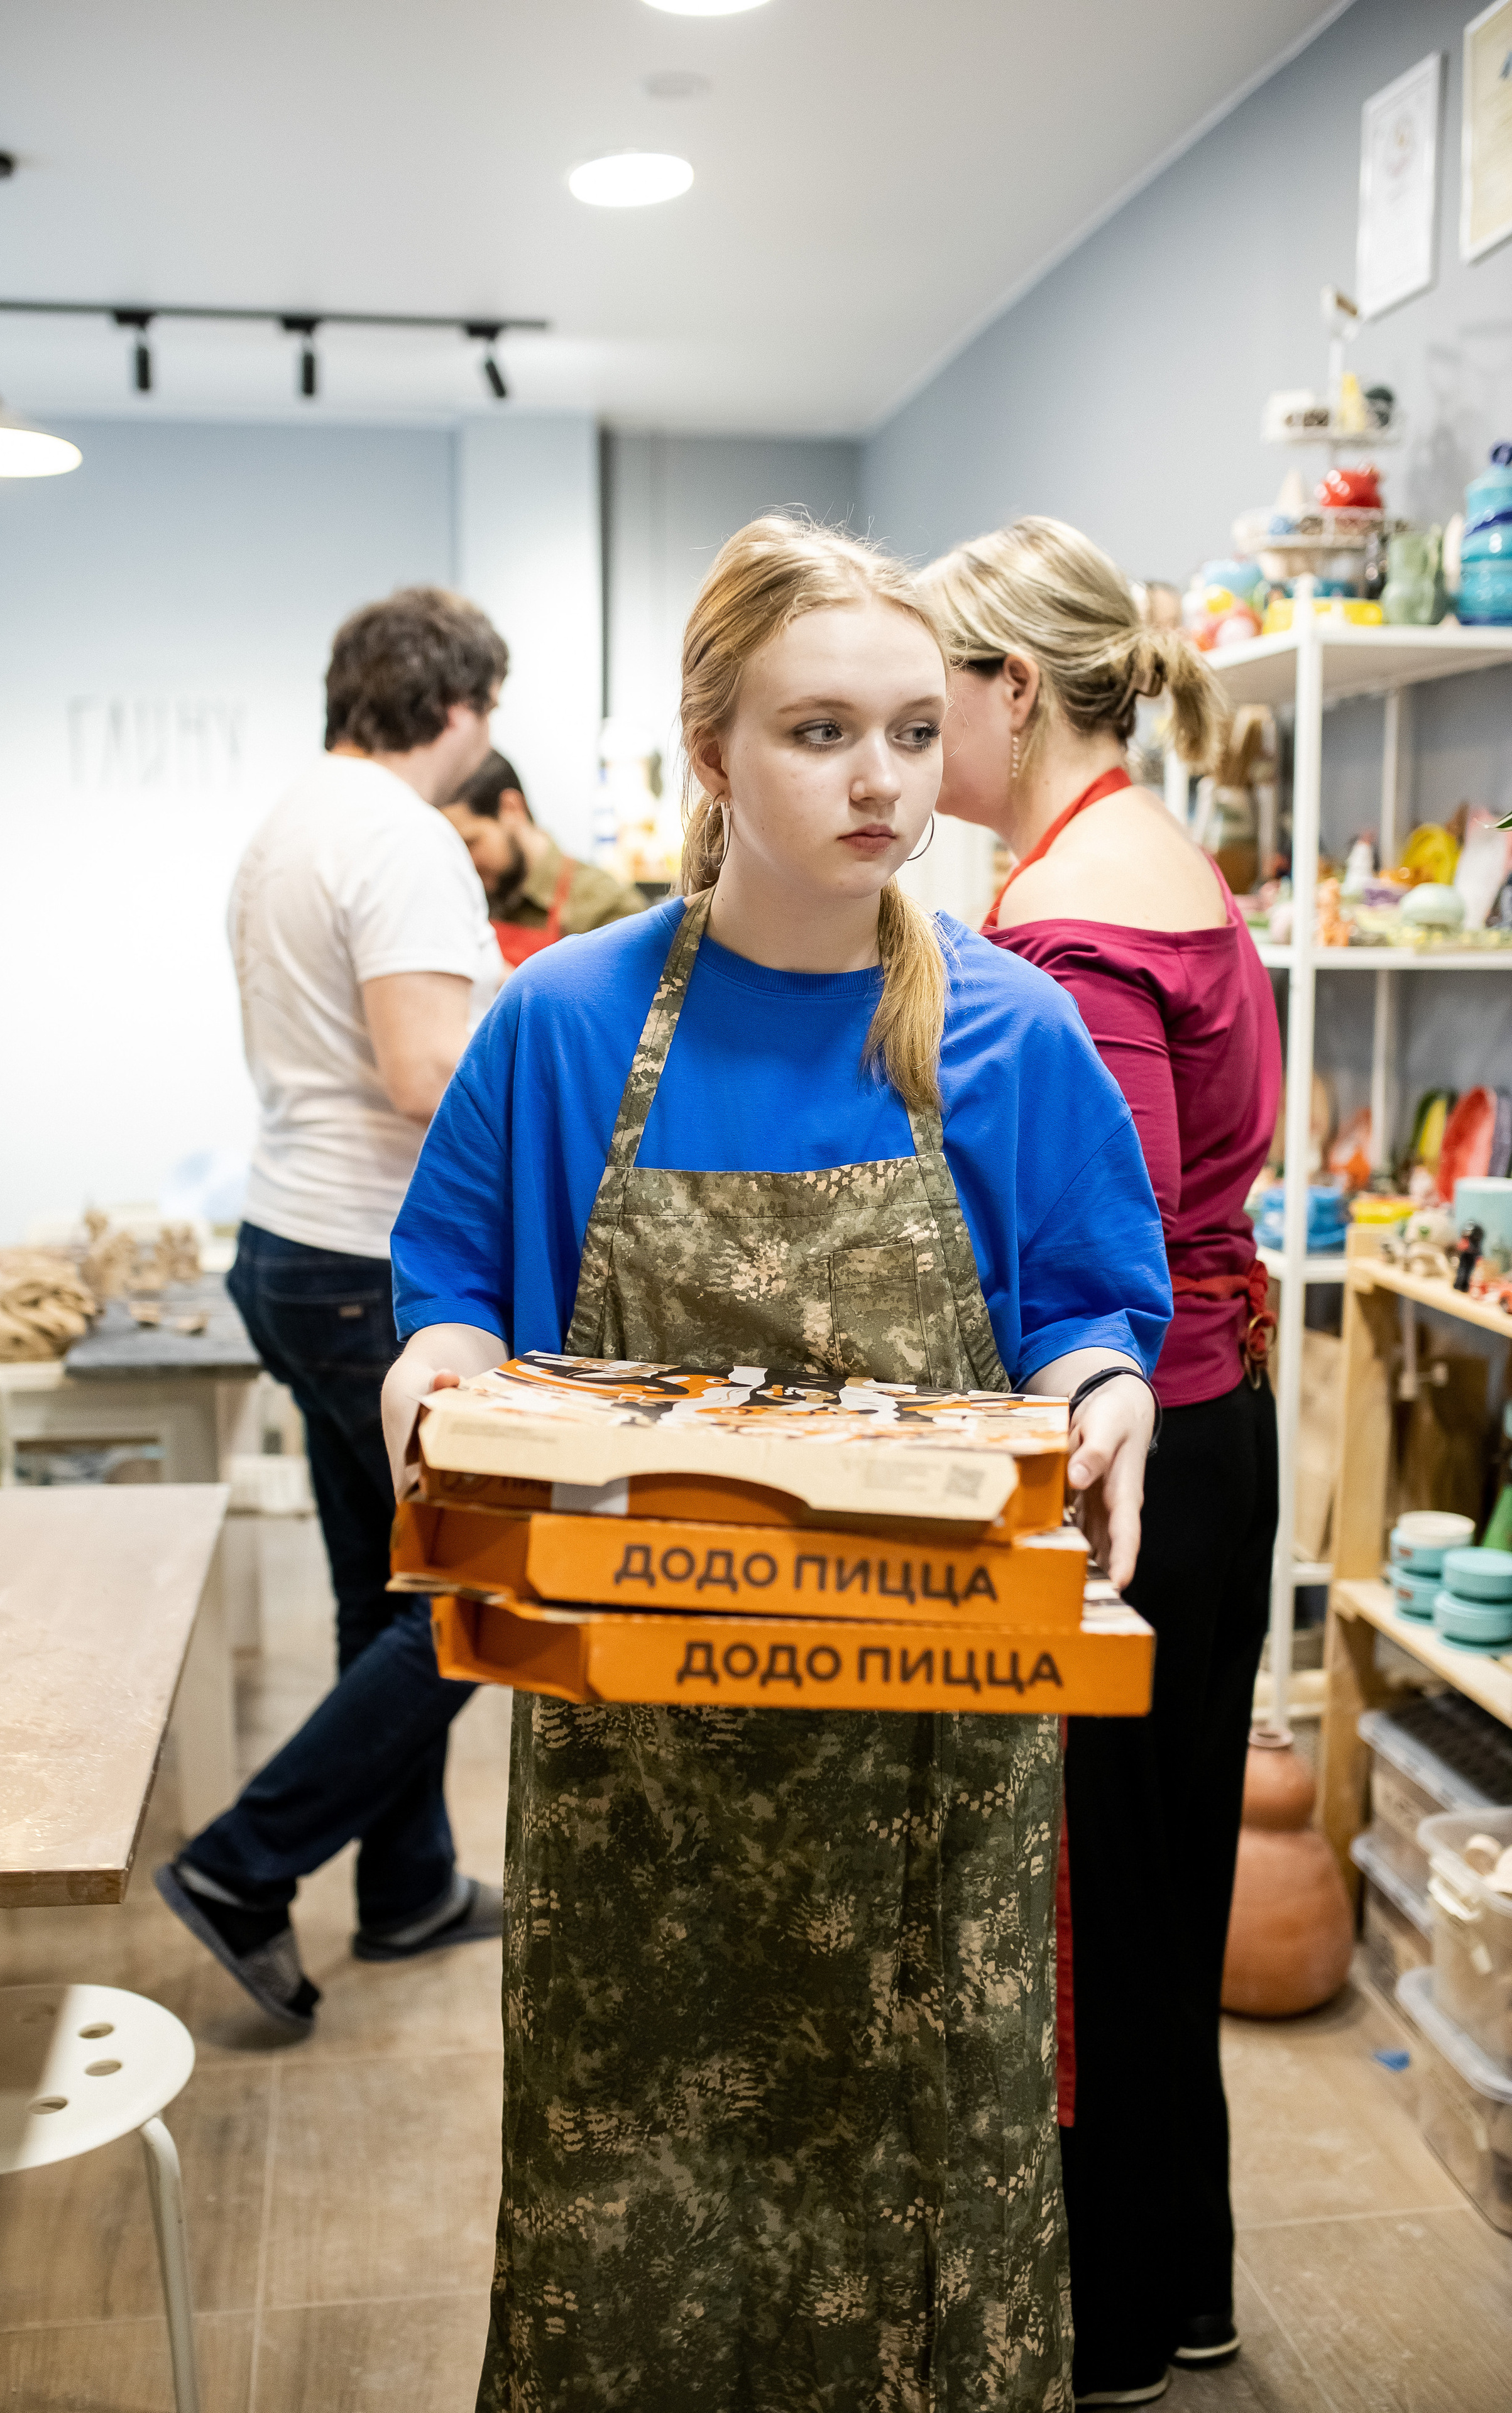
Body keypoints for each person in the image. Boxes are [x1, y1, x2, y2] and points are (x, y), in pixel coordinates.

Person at [381, 517, 1173, 2409]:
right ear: (709, 747)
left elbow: (1081, 1314)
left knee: (921, 2219)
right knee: (635, 2208)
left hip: (931, 1769)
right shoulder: (566, 1023)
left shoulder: (1008, 1027)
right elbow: (450, 1299)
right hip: (639, 1780)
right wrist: (433, 1379)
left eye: (912, 728)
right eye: (820, 729)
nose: (881, 777)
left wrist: (1107, 1393)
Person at [919, 517, 1281, 2408]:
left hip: (1143, 1454)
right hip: (1222, 1428)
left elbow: (1100, 1237)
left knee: (1103, 1901)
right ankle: (1182, 2278)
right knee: (1165, 1882)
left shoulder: (1069, 919)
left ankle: (1115, 2315)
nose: (904, 737)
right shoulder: (1170, 866)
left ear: (1008, 689)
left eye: (926, 697)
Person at [155, 586, 512, 2034]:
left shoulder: (293, 820)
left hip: (291, 1243)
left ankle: (407, 1884)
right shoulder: (404, 835)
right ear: (453, 709)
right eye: (487, 716)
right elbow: (427, 1071)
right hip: (374, 1263)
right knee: (476, 1590)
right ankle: (245, 1866)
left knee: (384, 1586)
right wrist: (550, 1032)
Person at [442, 748, 648, 962]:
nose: (462, 861)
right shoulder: (460, 899)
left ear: (511, 808)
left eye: (470, 843)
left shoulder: (608, 907)